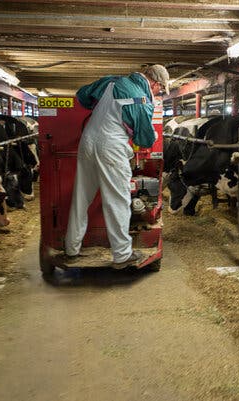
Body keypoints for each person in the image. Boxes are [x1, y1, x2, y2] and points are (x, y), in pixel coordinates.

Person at [63, 64, 170, 269]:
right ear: (155, 83)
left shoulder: (111, 81)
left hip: (87, 141)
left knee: (81, 197)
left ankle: (71, 249)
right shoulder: (142, 99)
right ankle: (122, 255)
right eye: (160, 89)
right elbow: (145, 139)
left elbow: (83, 95)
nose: (158, 94)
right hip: (111, 145)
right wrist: (153, 134)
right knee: (117, 200)